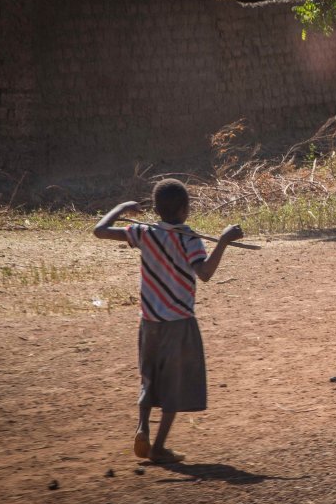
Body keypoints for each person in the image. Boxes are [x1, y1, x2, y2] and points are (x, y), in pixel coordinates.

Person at [93, 178, 243, 464]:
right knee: (174, 386)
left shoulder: (144, 233)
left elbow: (99, 231)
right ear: (185, 210)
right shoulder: (190, 240)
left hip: (149, 322)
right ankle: (159, 448)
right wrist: (223, 240)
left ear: (158, 209)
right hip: (179, 323)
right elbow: (206, 273)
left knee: (149, 378)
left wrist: (121, 207)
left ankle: (142, 427)